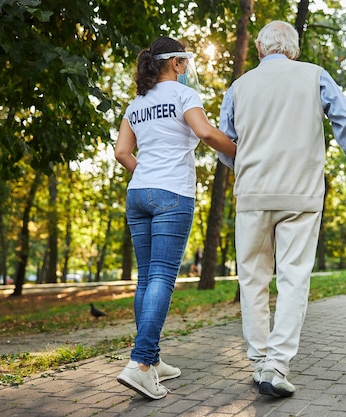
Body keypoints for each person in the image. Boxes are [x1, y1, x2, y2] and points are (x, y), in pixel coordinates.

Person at [218, 21, 346, 398]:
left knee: (252, 280)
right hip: (300, 196)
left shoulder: (238, 87)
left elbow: (224, 140)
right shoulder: (315, 76)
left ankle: (258, 362)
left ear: (259, 50)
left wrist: (248, 168)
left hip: (253, 194)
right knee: (293, 279)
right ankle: (277, 365)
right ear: (295, 50)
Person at [113, 36, 236, 400]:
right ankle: (141, 365)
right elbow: (206, 133)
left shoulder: (136, 103)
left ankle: (152, 356)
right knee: (163, 278)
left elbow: (122, 152)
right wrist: (243, 155)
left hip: (138, 193)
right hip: (172, 195)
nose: (187, 69)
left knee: (145, 279)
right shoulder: (184, 96)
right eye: (185, 62)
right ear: (177, 64)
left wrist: (146, 174)